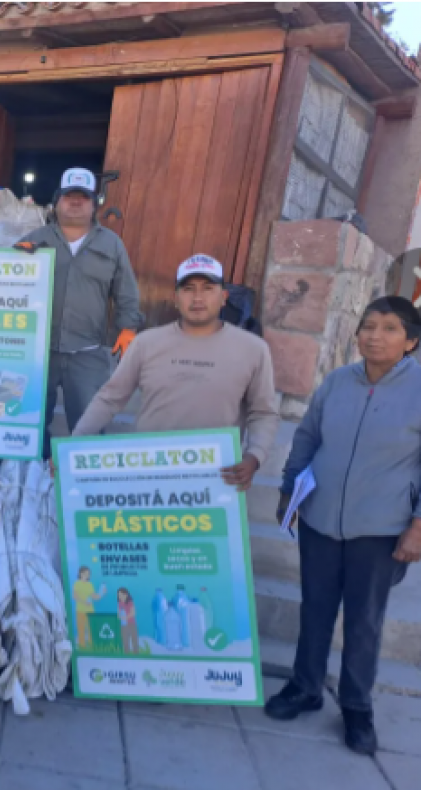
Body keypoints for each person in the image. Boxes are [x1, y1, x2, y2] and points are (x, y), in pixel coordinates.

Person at [264, 296, 421, 756]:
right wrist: (289, 491)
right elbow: (308, 437)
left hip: (380, 529)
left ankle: (356, 706)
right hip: (320, 519)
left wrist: (418, 526)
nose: (374, 336)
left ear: (411, 341)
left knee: (364, 620)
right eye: (367, 326)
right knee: (314, 607)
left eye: (390, 328)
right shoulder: (337, 382)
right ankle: (305, 687)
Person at [73, 254, 279, 492]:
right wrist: (73, 445)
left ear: (223, 298)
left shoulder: (253, 349)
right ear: (175, 298)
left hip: (215, 480)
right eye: (189, 289)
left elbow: (263, 412)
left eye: (208, 288)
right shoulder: (146, 343)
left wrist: (254, 456)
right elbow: (110, 399)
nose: (198, 297)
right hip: (147, 476)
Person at [17, 168, 143, 456]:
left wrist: (128, 328)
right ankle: (36, 479)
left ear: (94, 204)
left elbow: (126, 291)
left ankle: (85, 489)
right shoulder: (34, 240)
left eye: (82, 198)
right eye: (69, 196)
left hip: (88, 353)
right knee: (30, 425)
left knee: (89, 425)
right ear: (57, 201)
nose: (75, 203)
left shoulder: (111, 244)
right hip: (39, 353)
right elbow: (7, 284)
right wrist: (10, 259)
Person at [73, 567, 106, 649]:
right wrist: (84, 602)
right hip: (80, 610)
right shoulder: (77, 583)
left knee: (91, 629)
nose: (87, 575)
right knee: (81, 629)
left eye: (88, 574)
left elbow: (95, 597)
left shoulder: (90, 585)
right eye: (85, 573)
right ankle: (82, 647)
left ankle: (92, 646)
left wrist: (102, 594)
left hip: (90, 611)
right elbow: (75, 596)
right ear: (80, 574)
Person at [117, 588, 140, 654]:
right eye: (118, 595)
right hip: (123, 625)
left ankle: (136, 654)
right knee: (125, 640)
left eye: (121, 595)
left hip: (131, 624)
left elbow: (133, 613)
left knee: (134, 640)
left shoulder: (130, 602)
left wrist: (125, 617)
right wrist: (120, 616)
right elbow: (118, 613)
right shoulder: (119, 603)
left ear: (126, 594)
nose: (119, 596)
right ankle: (127, 654)